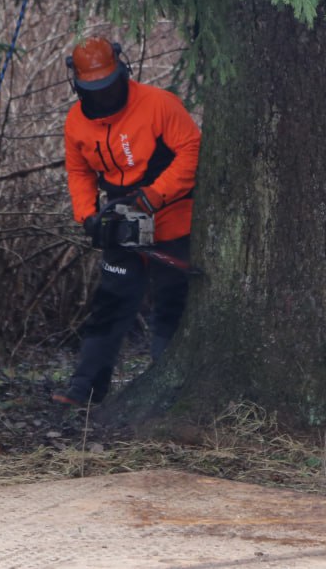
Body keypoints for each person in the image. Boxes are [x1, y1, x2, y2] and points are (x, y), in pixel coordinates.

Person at [53, 35, 201, 407]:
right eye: (93, 90)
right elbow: (78, 172)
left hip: (174, 217)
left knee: (172, 305)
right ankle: (84, 390)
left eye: (108, 87)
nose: (103, 96)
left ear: (122, 72)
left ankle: (169, 393)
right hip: (121, 222)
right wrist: (88, 216)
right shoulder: (76, 123)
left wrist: (153, 196)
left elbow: (191, 151)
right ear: (79, 85)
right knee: (111, 303)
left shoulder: (159, 105)